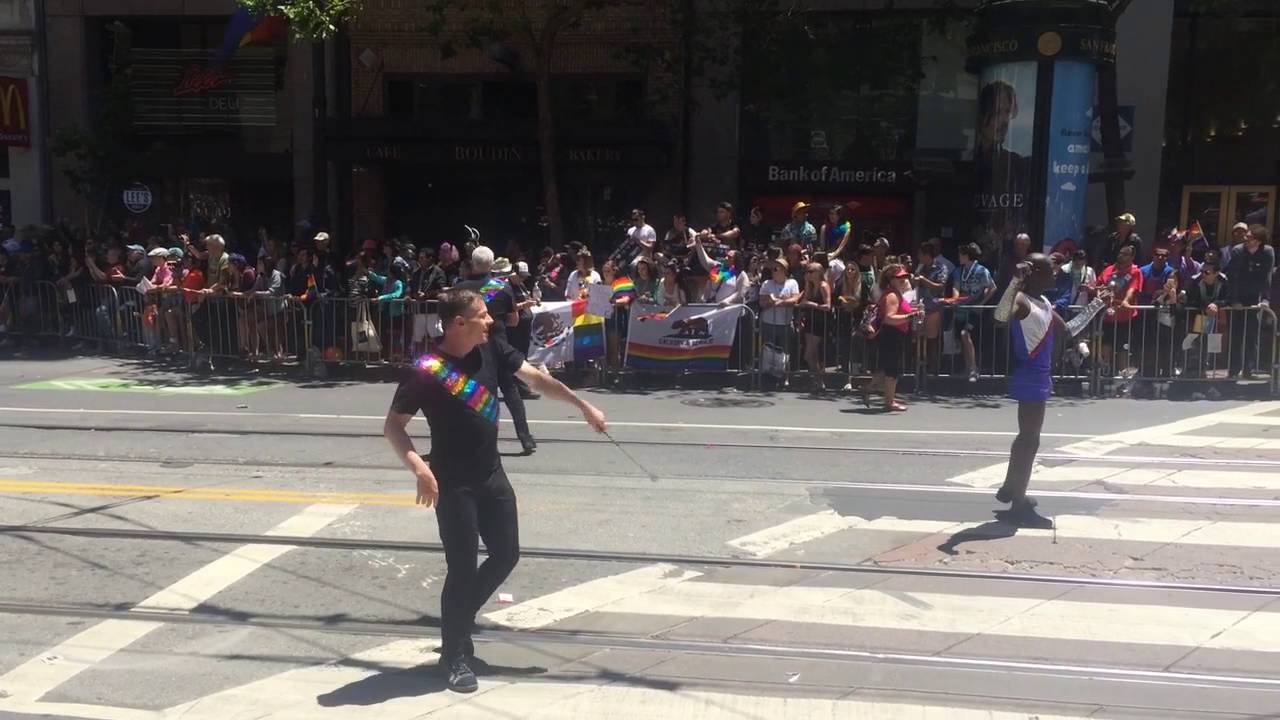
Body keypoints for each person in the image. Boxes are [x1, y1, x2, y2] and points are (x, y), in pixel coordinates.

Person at [383, 288, 606, 694]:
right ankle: (453, 655)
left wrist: (582, 406)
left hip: (492, 474)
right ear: (458, 324)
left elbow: (537, 379)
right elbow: (393, 426)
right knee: (463, 568)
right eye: (483, 315)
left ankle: (458, 625)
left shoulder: (492, 350)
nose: (492, 321)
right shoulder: (428, 370)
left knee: (506, 554)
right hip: (453, 484)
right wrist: (419, 468)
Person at [993, 254, 1108, 525]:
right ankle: (1018, 502)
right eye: (1049, 272)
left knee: (1026, 437)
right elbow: (999, 318)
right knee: (1030, 439)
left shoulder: (1043, 302)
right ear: (1035, 275)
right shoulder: (1021, 301)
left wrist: (1096, 305)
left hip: (1040, 375)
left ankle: (1011, 488)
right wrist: (1014, 281)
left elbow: (1067, 331)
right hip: (1030, 374)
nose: (1055, 276)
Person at [455, 247, 537, 454]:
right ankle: (525, 437)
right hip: (498, 344)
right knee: (510, 391)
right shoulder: (502, 288)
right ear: (492, 265)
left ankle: (467, 438)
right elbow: (513, 320)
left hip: (471, 345)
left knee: (469, 392)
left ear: (472, 264)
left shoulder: (460, 289)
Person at [864, 264, 921, 412]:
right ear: (891, 279)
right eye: (899, 277)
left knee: (887, 369)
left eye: (904, 276)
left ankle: (871, 390)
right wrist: (911, 315)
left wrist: (913, 313)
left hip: (895, 334)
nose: (903, 279)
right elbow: (889, 318)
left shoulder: (895, 293)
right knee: (892, 371)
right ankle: (889, 402)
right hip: (891, 334)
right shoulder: (892, 295)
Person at [1225, 224, 1276, 378]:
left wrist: (1265, 299)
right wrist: (1234, 300)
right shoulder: (1238, 251)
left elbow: (1267, 277)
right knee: (1236, 335)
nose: (1245, 239)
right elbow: (1232, 277)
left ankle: (1249, 369)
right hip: (1238, 296)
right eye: (1245, 236)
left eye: (1249, 237)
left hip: (1254, 298)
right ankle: (1233, 370)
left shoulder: (1267, 252)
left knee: (1252, 335)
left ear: (1258, 241)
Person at [944, 242, 996, 383]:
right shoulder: (958, 271)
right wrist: (955, 299)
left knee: (965, 334)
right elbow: (956, 286)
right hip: (961, 309)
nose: (959, 257)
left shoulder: (982, 271)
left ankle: (973, 368)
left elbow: (992, 287)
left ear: (967, 255)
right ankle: (967, 367)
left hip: (973, 310)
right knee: (962, 338)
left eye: (961, 255)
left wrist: (982, 303)